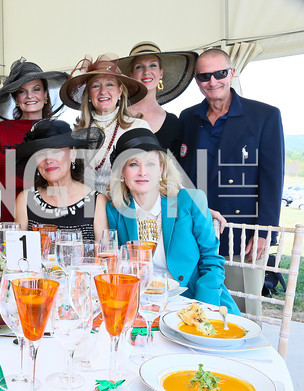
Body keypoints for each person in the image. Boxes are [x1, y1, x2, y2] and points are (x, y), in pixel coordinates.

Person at [178, 48, 285, 316]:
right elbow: (182, 175)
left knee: (244, 313)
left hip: (242, 233)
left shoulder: (264, 116)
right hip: (196, 230)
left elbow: (272, 179)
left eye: (220, 73)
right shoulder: (188, 117)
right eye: (204, 76)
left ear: (232, 72)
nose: (213, 81)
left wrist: (264, 231)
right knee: (196, 309)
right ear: (196, 80)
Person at [106, 128, 239, 314]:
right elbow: (118, 265)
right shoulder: (115, 211)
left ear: (161, 168)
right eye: (133, 164)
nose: (143, 172)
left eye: (150, 164)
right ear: (121, 171)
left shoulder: (191, 200)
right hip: (143, 304)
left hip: (195, 299)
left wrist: (203, 307)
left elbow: (212, 260)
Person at [0, 57, 68, 222]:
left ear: (45, 93)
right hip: (11, 216)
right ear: (16, 98)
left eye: (36, 89)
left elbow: (69, 179)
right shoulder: (1, 130)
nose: (30, 96)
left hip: (52, 215)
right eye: (22, 91)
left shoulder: (58, 129)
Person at [59, 54, 149, 194]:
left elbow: (154, 173)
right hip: (86, 210)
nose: (103, 91)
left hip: (124, 210)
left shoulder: (138, 127)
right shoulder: (75, 133)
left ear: (120, 91)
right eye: (96, 86)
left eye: (109, 84)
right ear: (88, 94)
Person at [14, 119, 106, 241]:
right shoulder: (25, 199)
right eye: (41, 153)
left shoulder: (98, 202)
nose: (48, 160)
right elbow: (17, 254)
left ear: (73, 154)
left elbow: (104, 256)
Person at [118, 41, 197, 157]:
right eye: (139, 67)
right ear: (131, 74)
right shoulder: (118, 116)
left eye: (153, 65)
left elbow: (176, 170)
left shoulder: (173, 123)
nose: (146, 71)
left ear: (161, 73)